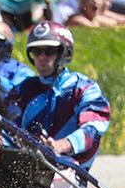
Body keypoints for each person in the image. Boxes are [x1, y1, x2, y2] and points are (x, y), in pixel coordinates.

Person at [11, 21, 111, 177]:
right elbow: (6, 119)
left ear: (66, 54)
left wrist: (60, 146)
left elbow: (95, 126)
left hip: (68, 167)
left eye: (49, 51)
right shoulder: (23, 89)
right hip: (27, 164)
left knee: (60, 180)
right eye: (37, 52)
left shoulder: (84, 88)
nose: (42, 57)